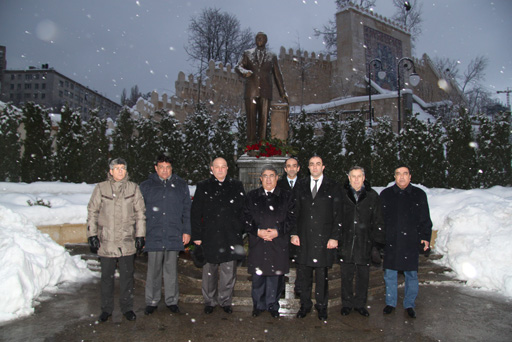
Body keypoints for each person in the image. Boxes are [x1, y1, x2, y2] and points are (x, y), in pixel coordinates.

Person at [86, 158, 146, 322]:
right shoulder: (101, 188)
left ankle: (127, 308)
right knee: (107, 277)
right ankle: (106, 309)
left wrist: (140, 235)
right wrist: (92, 235)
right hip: (107, 240)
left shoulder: (133, 188)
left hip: (126, 240)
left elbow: (140, 213)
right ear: (110, 171)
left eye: (123, 168)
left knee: (127, 277)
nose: (120, 171)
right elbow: (93, 212)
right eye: (117, 168)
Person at [191, 157, 246, 314]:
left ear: (227, 168)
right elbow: (195, 212)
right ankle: (209, 301)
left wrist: (239, 230)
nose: (220, 169)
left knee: (229, 271)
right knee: (209, 271)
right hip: (209, 236)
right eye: (217, 167)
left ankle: (225, 301)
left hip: (230, 236)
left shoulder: (236, 185)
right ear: (212, 169)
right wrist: (197, 235)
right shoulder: (203, 186)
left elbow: (243, 210)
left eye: (223, 167)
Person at [290, 156, 342, 320]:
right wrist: (294, 233)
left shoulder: (333, 186)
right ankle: (305, 305)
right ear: (308, 167)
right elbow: (294, 211)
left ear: (323, 166)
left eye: (318, 164)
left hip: (323, 239)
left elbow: (338, 214)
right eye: (311, 164)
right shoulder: (301, 184)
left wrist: (334, 236)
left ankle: (322, 306)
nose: (315, 167)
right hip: (304, 238)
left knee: (321, 277)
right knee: (304, 275)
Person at [139, 154, 191, 315]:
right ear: (156, 168)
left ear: (171, 168)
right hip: (153, 233)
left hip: (173, 233)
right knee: (153, 270)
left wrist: (187, 230)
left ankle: (171, 301)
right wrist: (141, 233)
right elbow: (139, 211)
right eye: (161, 167)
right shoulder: (146, 186)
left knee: (171, 270)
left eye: (168, 167)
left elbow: (187, 210)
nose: (165, 170)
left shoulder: (181, 185)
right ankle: (152, 301)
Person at [380, 166, 432, 319]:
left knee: (411, 275)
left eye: (405, 174)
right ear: (394, 176)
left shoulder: (419, 195)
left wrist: (425, 237)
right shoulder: (386, 194)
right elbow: (380, 220)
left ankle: (409, 304)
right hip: (392, 241)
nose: (401, 177)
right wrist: (379, 239)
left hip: (411, 241)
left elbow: (425, 218)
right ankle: (390, 303)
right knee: (390, 274)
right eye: (398, 174)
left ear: (410, 176)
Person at [244, 165, 296, 318]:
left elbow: (292, 218)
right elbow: (245, 217)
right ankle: (258, 305)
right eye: (265, 176)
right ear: (261, 179)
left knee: (275, 277)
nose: (268, 179)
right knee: (258, 277)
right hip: (258, 242)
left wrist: (277, 231)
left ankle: (273, 305)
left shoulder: (286, 196)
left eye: (271, 176)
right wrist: (257, 231)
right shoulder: (252, 196)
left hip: (277, 242)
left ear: (277, 178)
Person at [339, 166, 385, 317]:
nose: (356, 179)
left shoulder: (372, 196)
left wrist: (376, 244)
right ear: (349, 178)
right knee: (346, 276)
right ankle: (346, 304)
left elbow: (378, 221)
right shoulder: (342, 195)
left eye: (359, 176)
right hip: (346, 242)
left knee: (363, 276)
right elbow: (336, 217)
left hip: (365, 242)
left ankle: (360, 304)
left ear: (364, 178)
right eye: (353, 176)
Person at [235, 32, 289, 145]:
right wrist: (245, 72)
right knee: (251, 119)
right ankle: (251, 144)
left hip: (265, 91)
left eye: (261, 38)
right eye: (257, 38)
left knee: (264, 120)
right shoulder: (247, 54)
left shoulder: (272, 56)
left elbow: (277, 75)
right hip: (251, 91)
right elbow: (238, 67)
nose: (259, 40)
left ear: (266, 40)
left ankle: (262, 144)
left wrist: (283, 93)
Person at [276, 156, 301, 295]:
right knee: (281, 260)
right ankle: (280, 290)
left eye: (294, 165)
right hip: (283, 227)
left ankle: (299, 288)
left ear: (298, 168)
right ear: (285, 169)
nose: (291, 168)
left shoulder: (304, 184)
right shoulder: (278, 185)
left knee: (300, 261)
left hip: (299, 227)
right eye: (289, 166)